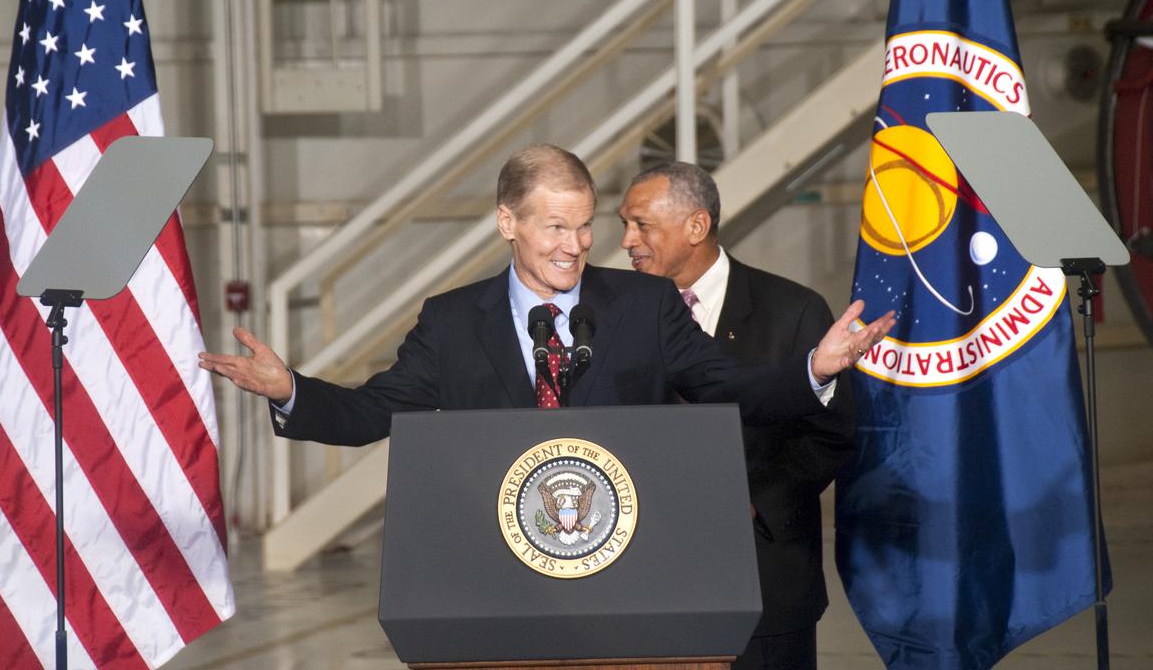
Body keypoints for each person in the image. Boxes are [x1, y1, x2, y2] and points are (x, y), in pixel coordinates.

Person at [199, 144, 894, 451]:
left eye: (585, 225)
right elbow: (372, 412)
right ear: (509, 223)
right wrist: (291, 389)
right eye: (556, 227)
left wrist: (813, 369)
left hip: (627, 569)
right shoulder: (451, 322)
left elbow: (732, 388)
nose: (576, 245)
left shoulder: (644, 306)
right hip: (502, 575)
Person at [619, 161, 853, 670]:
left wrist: (752, 504)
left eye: (641, 224)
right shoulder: (616, 315)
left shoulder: (792, 309)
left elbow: (832, 434)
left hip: (766, 579)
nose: (626, 241)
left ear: (696, 226)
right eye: (625, 224)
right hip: (643, 582)